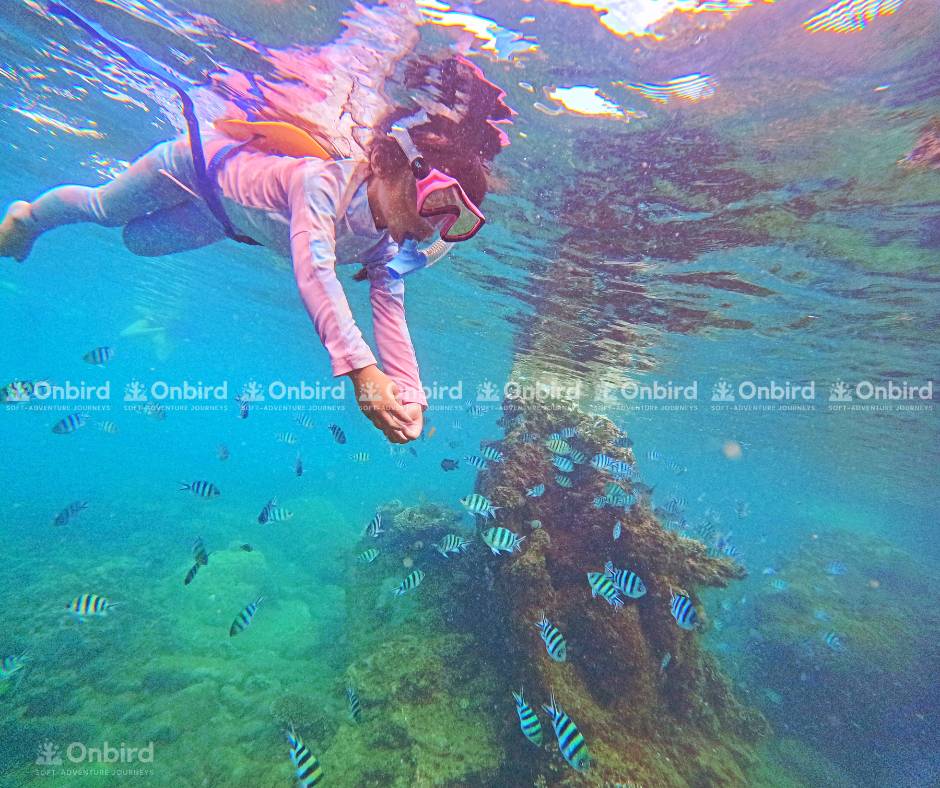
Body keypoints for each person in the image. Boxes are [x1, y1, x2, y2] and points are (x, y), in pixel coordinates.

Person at [0, 51, 511, 444]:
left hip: (222, 221)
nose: (435, 225)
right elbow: (315, 269)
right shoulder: (322, 183)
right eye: (437, 201)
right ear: (383, 160)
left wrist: (408, 391)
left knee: (139, 244)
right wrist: (362, 371)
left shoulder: (387, 240)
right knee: (107, 211)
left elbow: (390, 305)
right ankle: (29, 218)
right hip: (192, 168)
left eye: (456, 219)